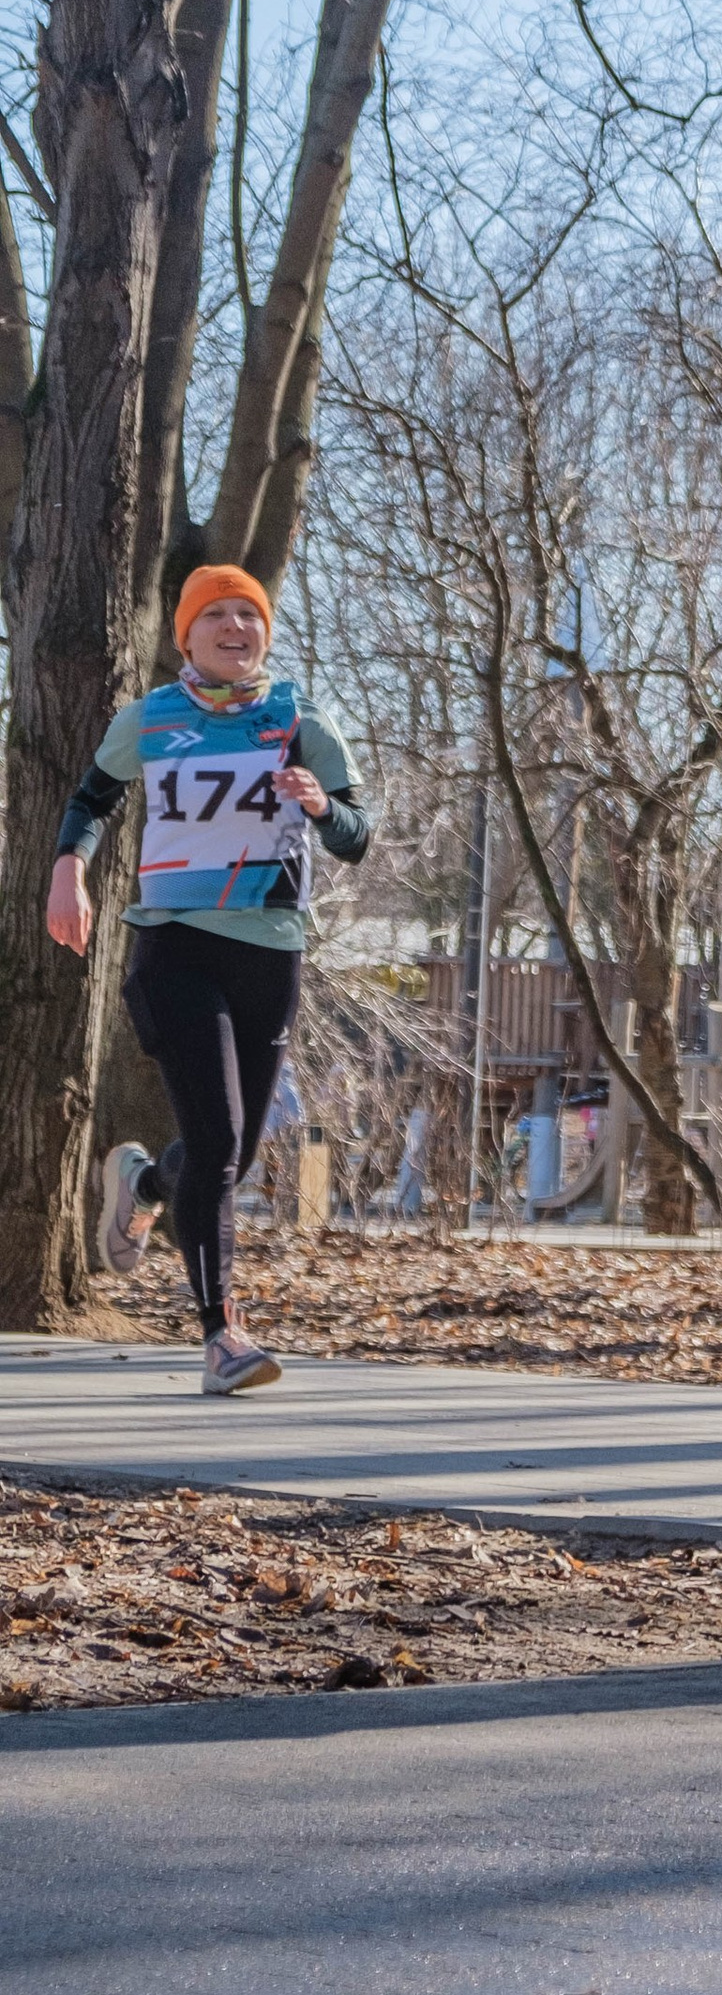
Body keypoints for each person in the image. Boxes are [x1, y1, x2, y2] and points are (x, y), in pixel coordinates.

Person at [44, 565, 372, 1394]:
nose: (234, 626)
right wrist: (67, 871)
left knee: (237, 1145)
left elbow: (358, 835)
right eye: (215, 615)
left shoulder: (299, 722)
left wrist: (324, 808)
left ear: (265, 632)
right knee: (222, 1141)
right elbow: (92, 800)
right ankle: (222, 1336)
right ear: (185, 635)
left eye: (248, 615)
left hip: (269, 949)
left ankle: (146, 1181)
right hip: (175, 945)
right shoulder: (150, 719)